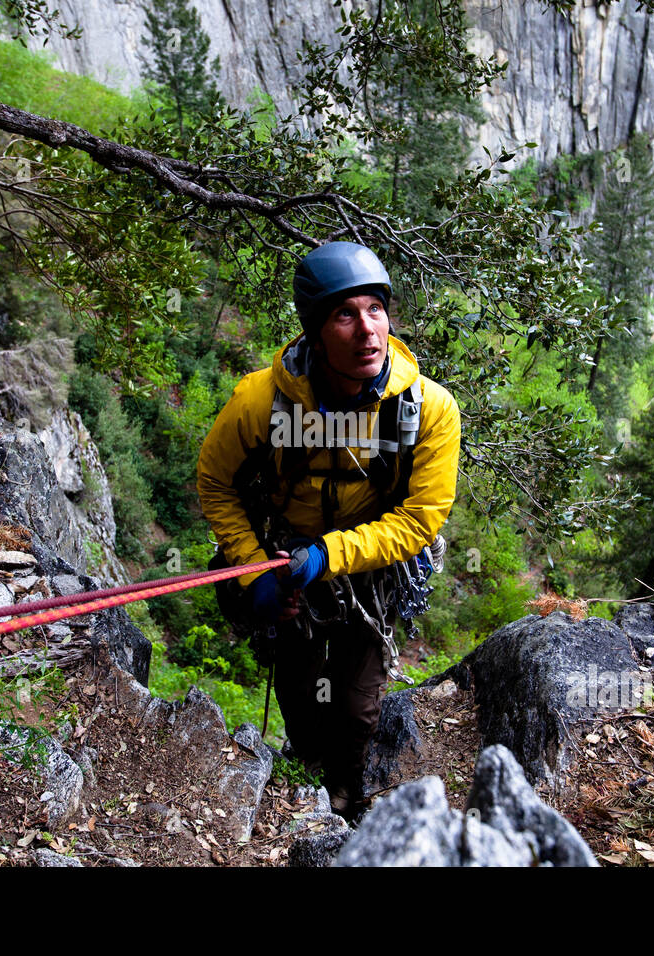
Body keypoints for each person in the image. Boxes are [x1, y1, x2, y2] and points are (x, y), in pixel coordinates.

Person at [196, 241, 460, 820]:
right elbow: (215, 482)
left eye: (376, 310)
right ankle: (306, 771)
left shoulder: (428, 409)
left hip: (371, 566)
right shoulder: (261, 401)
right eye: (345, 314)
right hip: (286, 557)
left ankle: (345, 789)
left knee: (359, 703)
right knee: (299, 681)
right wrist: (251, 571)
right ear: (315, 332)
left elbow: (420, 518)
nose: (368, 331)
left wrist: (330, 554)